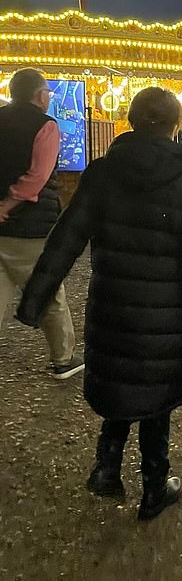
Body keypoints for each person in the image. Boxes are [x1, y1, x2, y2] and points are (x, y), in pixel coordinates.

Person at [17, 87, 182, 521]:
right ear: (176, 124)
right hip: (167, 319)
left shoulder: (101, 174)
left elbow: (65, 241)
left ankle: (107, 469)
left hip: (114, 309)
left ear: (129, 119)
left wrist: (35, 298)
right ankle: (154, 488)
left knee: (121, 388)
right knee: (156, 403)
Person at [0, 68, 83, 379]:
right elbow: (37, 178)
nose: (49, 96)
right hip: (29, 225)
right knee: (48, 289)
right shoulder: (46, 126)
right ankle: (63, 358)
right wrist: (8, 204)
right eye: (48, 91)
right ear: (38, 95)